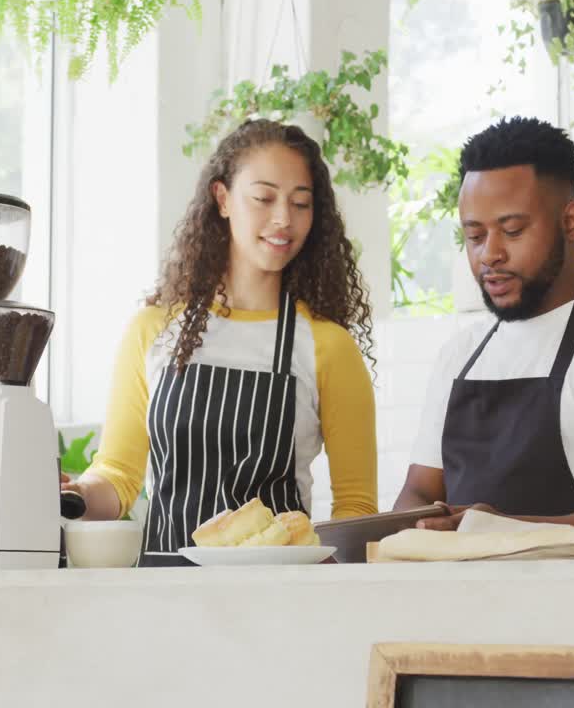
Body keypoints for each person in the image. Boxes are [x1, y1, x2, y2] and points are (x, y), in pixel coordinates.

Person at [64, 119, 378, 565]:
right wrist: (71, 495)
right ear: (223, 198)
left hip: (279, 601)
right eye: (264, 198)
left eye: (301, 203)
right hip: (163, 592)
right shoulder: (153, 330)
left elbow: (356, 509)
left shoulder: (327, 345)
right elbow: (117, 479)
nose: (283, 219)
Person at [393, 116, 574, 531]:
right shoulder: (459, 356)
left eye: (512, 231)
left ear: (571, 222)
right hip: (460, 594)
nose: (489, 254)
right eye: (474, 237)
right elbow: (419, 493)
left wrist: (501, 530)